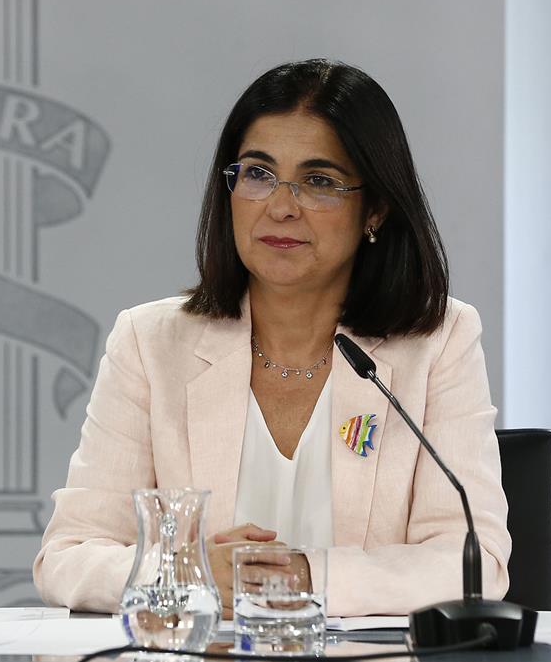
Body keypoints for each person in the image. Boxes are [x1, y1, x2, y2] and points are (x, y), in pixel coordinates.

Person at [33, 59, 510, 616]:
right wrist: (185, 574)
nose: (281, 207)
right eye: (258, 174)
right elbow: (69, 556)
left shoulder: (438, 341)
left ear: (375, 208)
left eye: (319, 181)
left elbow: (472, 564)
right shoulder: (150, 342)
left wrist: (303, 577)